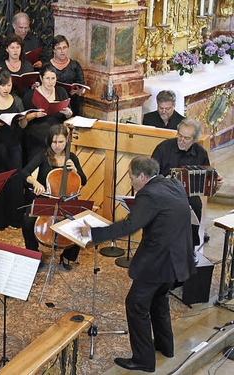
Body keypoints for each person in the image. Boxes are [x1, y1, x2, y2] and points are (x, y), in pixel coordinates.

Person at [79, 156, 195, 373]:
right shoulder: (174, 184)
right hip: (177, 259)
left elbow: (130, 226)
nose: (131, 182)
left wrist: (93, 233)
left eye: (132, 177)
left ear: (142, 176)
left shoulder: (148, 194)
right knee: (159, 299)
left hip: (158, 261)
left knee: (136, 304)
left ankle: (143, 360)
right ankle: (165, 346)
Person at [21, 124, 86, 268]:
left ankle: (68, 256)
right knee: (27, 222)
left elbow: (84, 180)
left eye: (60, 142)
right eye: (54, 142)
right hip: (46, 199)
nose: (57, 145)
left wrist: (76, 171)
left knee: (81, 223)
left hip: (66, 201)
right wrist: (35, 182)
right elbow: (24, 172)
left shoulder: (72, 158)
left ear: (67, 141)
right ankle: (34, 255)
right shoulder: (43, 156)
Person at [151, 119, 223, 248]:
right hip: (164, 193)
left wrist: (215, 183)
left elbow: (206, 179)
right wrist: (163, 180)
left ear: (194, 139)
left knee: (196, 204)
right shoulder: (164, 148)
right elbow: (151, 175)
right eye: (180, 135)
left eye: (186, 138)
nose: (181, 140)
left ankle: (190, 247)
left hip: (188, 196)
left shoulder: (200, 153)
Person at [0, 70, 28, 230]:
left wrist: (24, 119)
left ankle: (15, 219)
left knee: (15, 182)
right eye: (2, 85)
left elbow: (23, 126)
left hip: (14, 145)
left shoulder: (17, 100)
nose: (6, 88)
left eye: (9, 85)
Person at [22, 65, 73, 164]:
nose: (50, 82)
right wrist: (35, 115)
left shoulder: (61, 92)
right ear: (41, 78)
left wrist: (68, 113)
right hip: (36, 138)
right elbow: (23, 119)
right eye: (47, 78)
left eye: (53, 78)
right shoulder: (30, 94)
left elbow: (70, 115)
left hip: (57, 136)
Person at [47, 35, 86, 117]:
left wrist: (80, 92)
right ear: (54, 50)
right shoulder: (47, 66)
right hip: (53, 101)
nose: (62, 51)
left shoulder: (75, 65)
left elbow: (82, 85)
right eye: (59, 48)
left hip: (72, 102)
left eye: (64, 47)